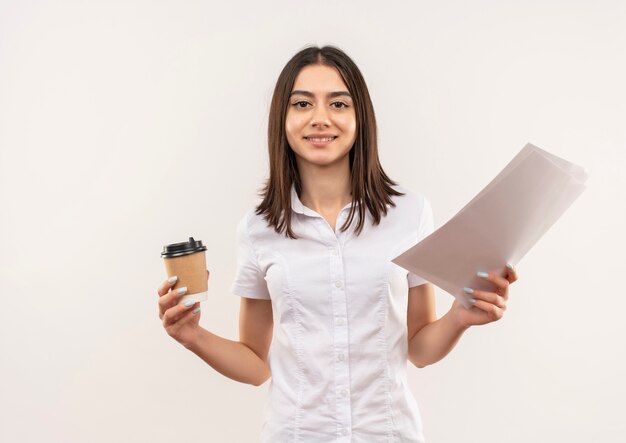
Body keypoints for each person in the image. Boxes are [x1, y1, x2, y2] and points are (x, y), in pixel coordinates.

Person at [157, 45, 518, 443]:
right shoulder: (259, 228)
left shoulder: (409, 214)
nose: (320, 119)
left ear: (359, 116)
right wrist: (192, 337)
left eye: (339, 104)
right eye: (302, 104)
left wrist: (459, 317)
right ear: (283, 118)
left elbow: (418, 348)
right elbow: (257, 364)